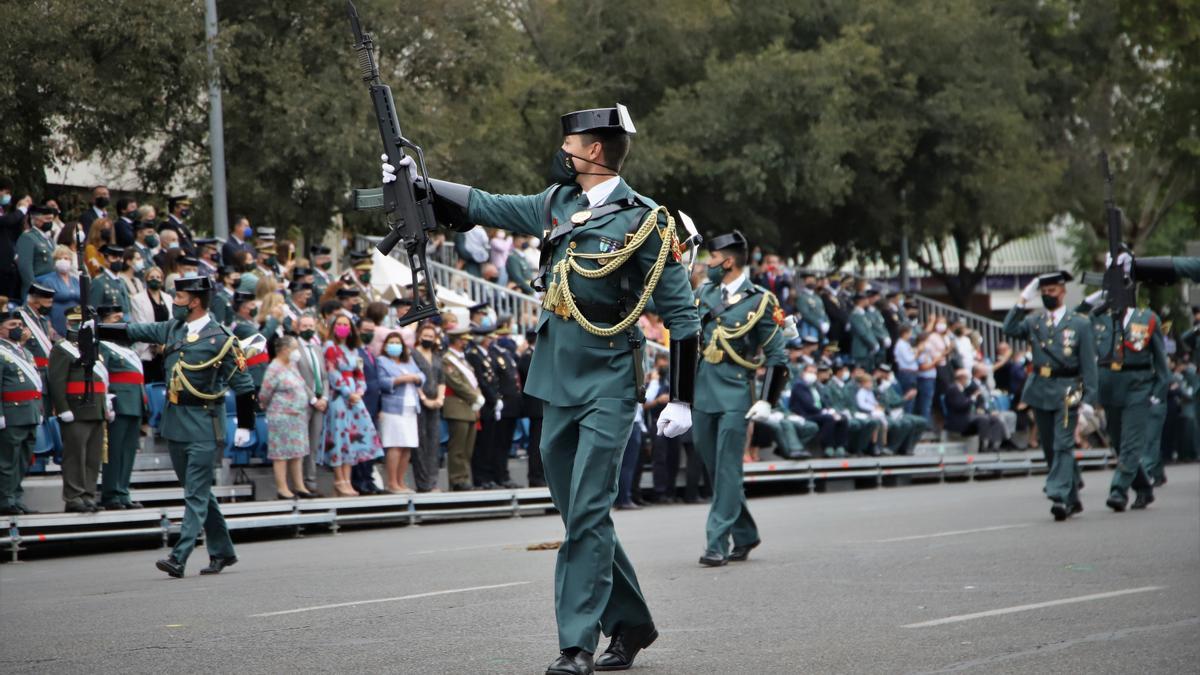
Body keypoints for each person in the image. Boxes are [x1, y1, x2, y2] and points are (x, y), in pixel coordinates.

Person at [384, 102, 700, 673]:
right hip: (555, 380)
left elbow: (683, 316)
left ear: (594, 151)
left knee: (587, 512)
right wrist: (418, 183)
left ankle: (575, 643)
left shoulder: (648, 222)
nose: (564, 150)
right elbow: (486, 204)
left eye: (570, 143)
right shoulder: (559, 204)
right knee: (580, 511)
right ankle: (631, 624)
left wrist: (682, 397)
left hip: (608, 379)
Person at [98, 275, 258, 577]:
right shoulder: (173, 329)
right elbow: (135, 330)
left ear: (195, 301)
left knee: (195, 493)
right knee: (198, 492)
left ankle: (179, 555)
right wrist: (97, 329)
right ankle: (223, 551)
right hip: (175, 423)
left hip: (205, 424)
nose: (174, 302)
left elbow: (245, 384)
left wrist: (246, 424)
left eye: (180, 298)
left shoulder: (221, 338)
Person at [691, 230, 787, 566]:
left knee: (728, 468)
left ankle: (716, 542)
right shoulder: (703, 294)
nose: (709, 265)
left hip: (734, 391)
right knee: (716, 468)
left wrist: (767, 399)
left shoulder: (760, 301)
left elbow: (778, 355)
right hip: (702, 390)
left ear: (728, 262)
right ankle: (747, 534)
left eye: (713, 260)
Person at [1002, 271, 1098, 521]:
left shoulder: (1079, 323)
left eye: (1051, 292)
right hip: (1041, 388)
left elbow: (1089, 365)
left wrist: (1089, 400)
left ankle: (1058, 494)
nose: (1047, 296)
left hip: (1069, 389)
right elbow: (1009, 327)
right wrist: (1024, 297)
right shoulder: (1035, 322)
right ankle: (1072, 495)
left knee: (1063, 443)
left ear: (1063, 291)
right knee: (1049, 448)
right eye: (1043, 293)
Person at [1078, 288, 1169, 511]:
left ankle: (1118, 491)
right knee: (1119, 443)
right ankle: (1144, 488)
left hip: (1138, 385)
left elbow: (1160, 360)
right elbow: (1071, 320)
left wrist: (1159, 390)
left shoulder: (1147, 318)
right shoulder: (1098, 317)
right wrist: (1089, 301)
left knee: (1131, 442)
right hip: (1109, 387)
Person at [49, 306, 114, 512]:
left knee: (93, 457)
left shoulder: (95, 348)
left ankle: (87, 494)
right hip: (75, 409)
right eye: (75, 322)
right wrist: (62, 408)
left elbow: (100, 381)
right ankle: (74, 496)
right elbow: (56, 381)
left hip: (96, 408)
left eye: (81, 323)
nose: (78, 326)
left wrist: (106, 405)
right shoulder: (62, 348)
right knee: (75, 456)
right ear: (68, 324)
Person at [321, 314, 383, 497]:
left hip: (355, 397)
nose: (342, 327)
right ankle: (339, 479)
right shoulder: (330, 347)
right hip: (339, 398)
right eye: (339, 324)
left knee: (352, 439)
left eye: (345, 324)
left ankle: (348, 480)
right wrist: (349, 393)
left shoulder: (353, 350)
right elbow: (332, 373)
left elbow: (360, 374)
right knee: (339, 439)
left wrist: (360, 391)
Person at [98, 305, 145, 509]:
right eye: (114, 320)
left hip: (134, 403)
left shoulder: (129, 350)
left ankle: (123, 491)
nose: (120, 324)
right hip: (118, 403)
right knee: (114, 451)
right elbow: (102, 373)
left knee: (128, 451)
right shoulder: (102, 345)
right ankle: (111, 494)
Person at [259, 335, 316, 499]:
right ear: (284, 350)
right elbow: (265, 394)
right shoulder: (274, 368)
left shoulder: (291, 365)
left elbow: (301, 385)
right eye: (294, 348)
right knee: (281, 454)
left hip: (298, 416)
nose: (297, 352)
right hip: (281, 416)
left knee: (298, 453)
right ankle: (282, 488)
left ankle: (299, 486)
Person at [0, 308, 43, 515]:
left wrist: (39, 409)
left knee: (23, 459)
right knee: (7, 460)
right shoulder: (1, 352)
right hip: (11, 413)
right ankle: (5, 499)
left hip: (30, 412)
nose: (17, 329)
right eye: (12, 326)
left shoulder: (25, 352)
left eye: (19, 325)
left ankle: (16, 497)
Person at [376, 332, 424, 493]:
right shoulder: (381, 361)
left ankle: (401, 481)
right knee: (395, 445)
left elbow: (421, 375)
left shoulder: (408, 361)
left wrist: (416, 377)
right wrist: (400, 380)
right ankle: (392, 482)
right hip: (393, 408)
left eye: (398, 342)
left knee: (407, 446)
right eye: (392, 342)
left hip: (410, 407)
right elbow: (381, 382)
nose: (395, 345)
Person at [441, 323, 484, 491]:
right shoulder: (447, 359)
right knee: (458, 447)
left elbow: (473, 382)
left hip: (469, 407)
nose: (465, 343)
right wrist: (476, 397)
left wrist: (477, 398)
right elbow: (457, 383)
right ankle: (457, 479)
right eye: (463, 340)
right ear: (456, 341)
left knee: (467, 448)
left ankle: (464, 477)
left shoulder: (462, 360)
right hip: (457, 407)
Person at [295, 315, 328, 496]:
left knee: (314, 444)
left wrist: (324, 397)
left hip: (320, 401)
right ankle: (300, 483)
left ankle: (311, 481)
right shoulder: (295, 348)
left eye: (311, 325)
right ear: (298, 327)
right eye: (305, 325)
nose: (308, 328)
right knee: (302, 444)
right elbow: (298, 376)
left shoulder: (317, 348)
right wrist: (313, 399)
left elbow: (323, 376)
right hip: (303, 402)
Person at [411, 321, 445, 492]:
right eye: (425, 336)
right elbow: (412, 377)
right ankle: (423, 483)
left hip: (435, 404)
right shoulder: (412, 354)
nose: (428, 339)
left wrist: (439, 398)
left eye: (431, 337)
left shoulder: (437, 357)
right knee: (421, 443)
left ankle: (432, 482)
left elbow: (441, 380)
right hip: (419, 403)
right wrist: (424, 398)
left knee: (433, 442)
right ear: (419, 336)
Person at [352, 318, 384, 495]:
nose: (369, 333)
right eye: (365, 330)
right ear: (357, 331)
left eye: (372, 330)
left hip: (372, 405)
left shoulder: (369, 352)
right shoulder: (355, 352)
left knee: (370, 445)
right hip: (360, 406)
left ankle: (368, 479)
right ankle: (360, 481)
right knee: (360, 444)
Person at [790, 363, 849, 458]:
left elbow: (823, 401)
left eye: (814, 372)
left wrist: (830, 410)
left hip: (817, 412)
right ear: (803, 373)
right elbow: (808, 405)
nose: (812, 374)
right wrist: (824, 412)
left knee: (842, 418)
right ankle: (828, 447)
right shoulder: (799, 385)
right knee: (829, 418)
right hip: (805, 414)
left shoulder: (814, 385)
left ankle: (840, 447)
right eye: (810, 372)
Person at [943, 368, 1007, 451]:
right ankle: (983, 446)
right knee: (983, 420)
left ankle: (995, 444)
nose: (968, 380)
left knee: (994, 419)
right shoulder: (953, 389)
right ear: (962, 378)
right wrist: (973, 398)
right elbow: (960, 406)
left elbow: (977, 402)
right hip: (959, 420)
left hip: (969, 416)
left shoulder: (963, 389)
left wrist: (980, 408)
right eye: (967, 378)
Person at [130, 266, 170, 383]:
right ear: (146, 279)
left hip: (165, 349)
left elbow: (172, 321)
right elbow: (141, 324)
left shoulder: (168, 298)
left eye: (158, 277)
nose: (155, 279)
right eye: (152, 277)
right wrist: (155, 345)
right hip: (147, 349)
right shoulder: (137, 299)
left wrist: (164, 345)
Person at [517, 329, 545, 488]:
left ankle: (541, 475)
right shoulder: (527, 357)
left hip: (543, 405)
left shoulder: (537, 355)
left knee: (541, 442)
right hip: (536, 406)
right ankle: (535, 476)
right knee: (536, 443)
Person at [16, 203, 57, 299]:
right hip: (37, 290)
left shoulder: (48, 239)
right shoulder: (28, 237)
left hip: (50, 287)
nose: (50, 222)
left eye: (51, 219)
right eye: (47, 219)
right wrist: (34, 289)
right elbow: (25, 268)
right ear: (35, 220)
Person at [90, 245, 132, 315]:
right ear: (106, 260)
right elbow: (93, 311)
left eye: (120, 258)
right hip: (110, 324)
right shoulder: (99, 282)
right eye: (114, 257)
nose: (118, 260)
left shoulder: (122, 281)